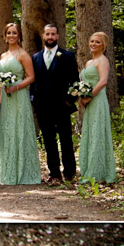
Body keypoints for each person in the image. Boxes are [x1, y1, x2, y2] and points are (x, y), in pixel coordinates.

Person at [30, 24, 78, 181]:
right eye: (47, 34)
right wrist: (34, 101)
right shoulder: (35, 57)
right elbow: (33, 83)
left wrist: (69, 101)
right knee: (49, 141)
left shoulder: (67, 56)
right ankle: (54, 174)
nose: (50, 37)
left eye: (53, 34)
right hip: (43, 107)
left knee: (66, 140)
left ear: (57, 36)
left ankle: (70, 173)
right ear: (43, 36)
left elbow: (74, 81)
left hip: (61, 106)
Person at [0, 23, 41, 185]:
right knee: (8, 131)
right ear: (5, 35)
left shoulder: (23, 55)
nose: (11, 35)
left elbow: (31, 77)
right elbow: (0, 79)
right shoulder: (3, 56)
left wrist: (16, 87)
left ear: (19, 35)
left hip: (19, 95)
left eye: (14, 33)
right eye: (9, 33)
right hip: (7, 99)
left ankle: (24, 171)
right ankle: (9, 172)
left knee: (20, 129)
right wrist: (1, 99)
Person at [76, 31, 116, 184]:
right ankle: (88, 169)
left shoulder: (103, 60)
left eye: (97, 42)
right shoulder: (88, 63)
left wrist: (89, 97)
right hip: (89, 102)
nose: (93, 44)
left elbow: (103, 81)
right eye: (92, 41)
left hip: (97, 100)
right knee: (90, 133)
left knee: (98, 132)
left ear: (103, 45)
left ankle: (98, 172)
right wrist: (81, 96)